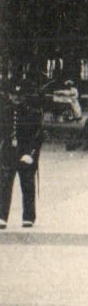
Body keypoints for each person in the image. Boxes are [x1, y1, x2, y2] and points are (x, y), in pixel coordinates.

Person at [1, 67, 45, 229]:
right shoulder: (4, 112)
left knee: (27, 183)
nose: (16, 98)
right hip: (8, 152)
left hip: (25, 151)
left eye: (20, 95)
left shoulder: (32, 113)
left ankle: (28, 216)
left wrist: (31, 154)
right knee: (4, 184)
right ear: (9, 95)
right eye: (13, 95)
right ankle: (2, 216)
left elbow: (37, 136)